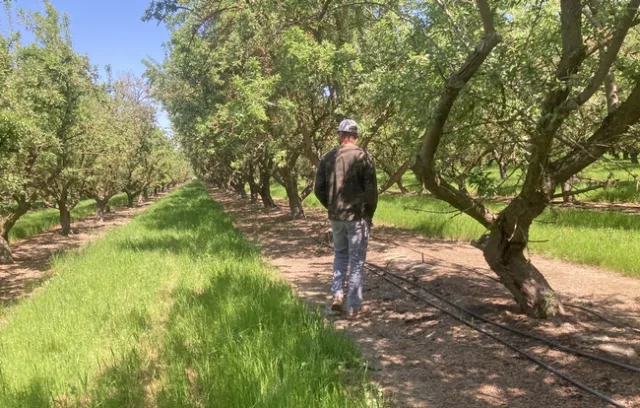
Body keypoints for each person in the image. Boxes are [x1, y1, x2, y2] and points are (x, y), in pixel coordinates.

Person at [314, 119, 378, 318]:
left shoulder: (327, 158)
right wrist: (369, 213)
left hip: (336, 218)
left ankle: (337, 297)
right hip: (357, 217)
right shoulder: (363, 157)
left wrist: (332, 207)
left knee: (340, 255)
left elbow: (318, 190)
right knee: (357, 261)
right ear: (356, 136)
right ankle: (354, 307)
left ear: (340, 135)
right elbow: (371, 192)